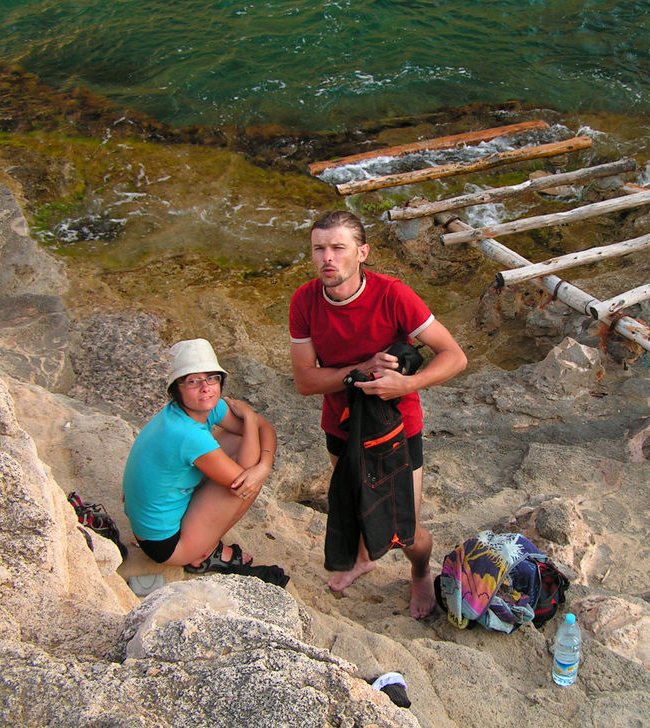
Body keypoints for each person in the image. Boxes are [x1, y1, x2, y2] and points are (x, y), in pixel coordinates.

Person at [289, 210, 467, 619]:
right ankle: (365, 558)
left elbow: (455, 357)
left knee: (405, 529)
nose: (327, 258)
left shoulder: (393, 295)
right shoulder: (305, 300)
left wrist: (407, 385)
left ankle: (421, 572)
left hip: (397, 428)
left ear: (362, 252)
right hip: (341, 426)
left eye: (338, 248)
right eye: (319, 248)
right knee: (353, 507)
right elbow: (305, 381)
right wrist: (360, 372)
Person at [123, 338, 277, 572]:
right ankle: (205, 550)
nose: (205, 388)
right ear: (176, 390)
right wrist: (250, 418)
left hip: (149, 526)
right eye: (193, 381)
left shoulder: (190, 410)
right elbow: (246, 480)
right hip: (165, 545)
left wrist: (264, 463)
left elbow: (266, 431)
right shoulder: (187, 435)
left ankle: (201, 538)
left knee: (242, 442)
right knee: (245, 483)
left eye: (211, 378)